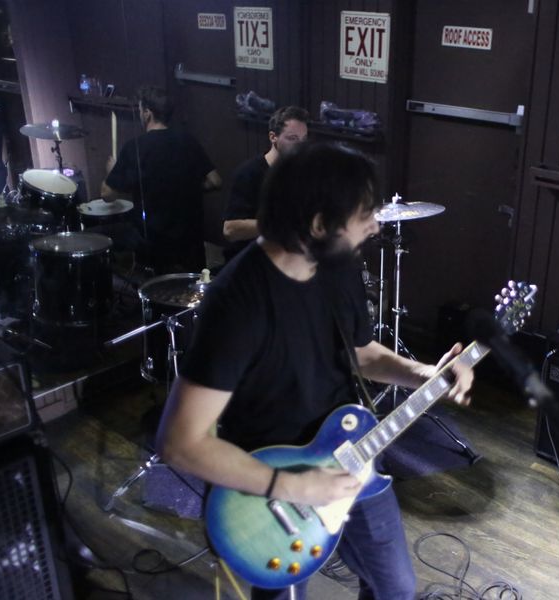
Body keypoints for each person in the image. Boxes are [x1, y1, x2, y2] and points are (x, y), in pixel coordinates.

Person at [156, 142, 474, 600]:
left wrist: (424, 375)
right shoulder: (236, 303)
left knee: (396, 588)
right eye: (364, 214)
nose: (376, 224)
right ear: (319, 225)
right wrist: (294, 486)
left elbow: (360, 354)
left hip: (352, 451)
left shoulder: (337, 266)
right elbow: (179, 442)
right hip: (271, 488)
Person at [102, 85, 222, 273]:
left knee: (104, 238)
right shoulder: (188, 141)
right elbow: (215, 181)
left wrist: (111, 171)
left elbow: (107, 195)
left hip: (153, 248)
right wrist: (187, 188)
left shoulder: (135, 147)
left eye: (140, 110)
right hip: (190, 247)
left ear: (147, 114)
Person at [222, 105, 309, 262]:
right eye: (292, 138)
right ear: (273, 137)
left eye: (303, 140)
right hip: (252, 262)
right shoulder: (250, 173)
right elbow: (230, 229)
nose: (300, 146)